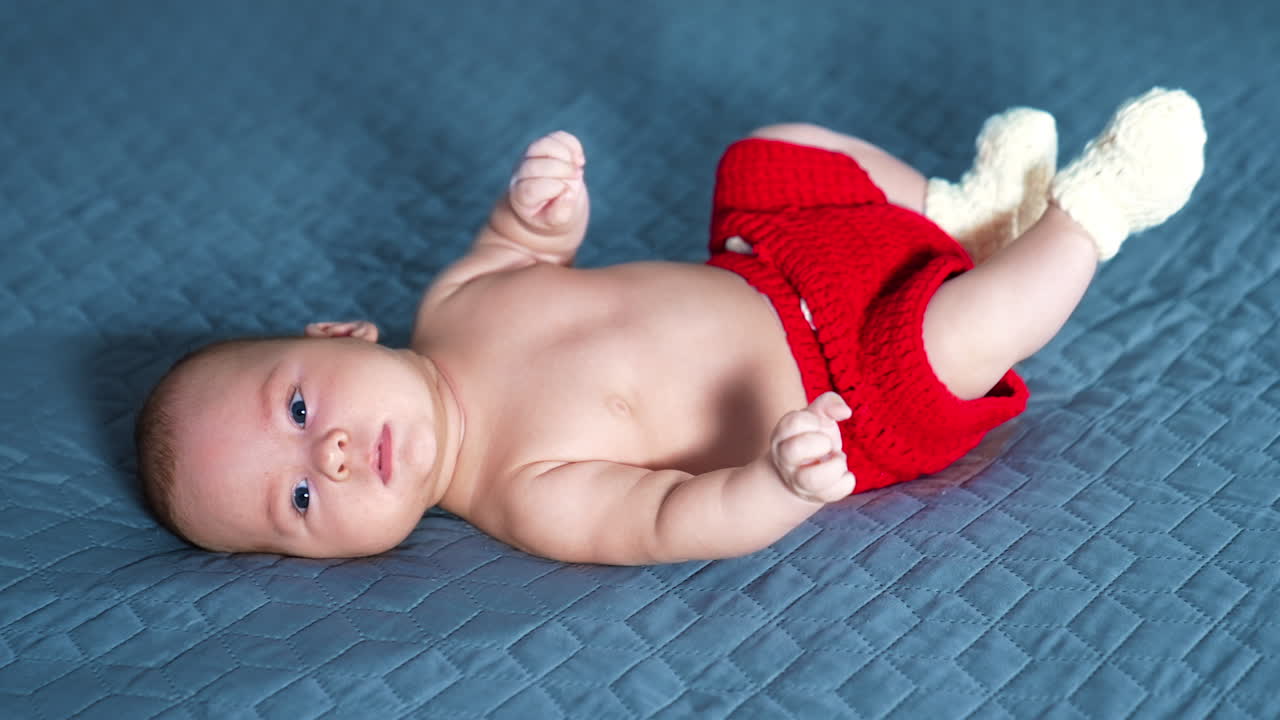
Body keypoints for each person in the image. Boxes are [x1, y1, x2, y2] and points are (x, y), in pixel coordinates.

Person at [134, 87, 1205, 564]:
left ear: (340, 334)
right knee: (969, 334)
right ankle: (1094, 209)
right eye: (302, 498)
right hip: (842, 386)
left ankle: (955, 211)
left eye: (299, 404)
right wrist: (774, 486)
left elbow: (524, 249)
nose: (326, 450)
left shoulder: (449, 304)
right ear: (327, 558)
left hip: (771, 263)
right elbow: (660, 521)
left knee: (764, 155)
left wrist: (537, 206)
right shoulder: (522, 493)